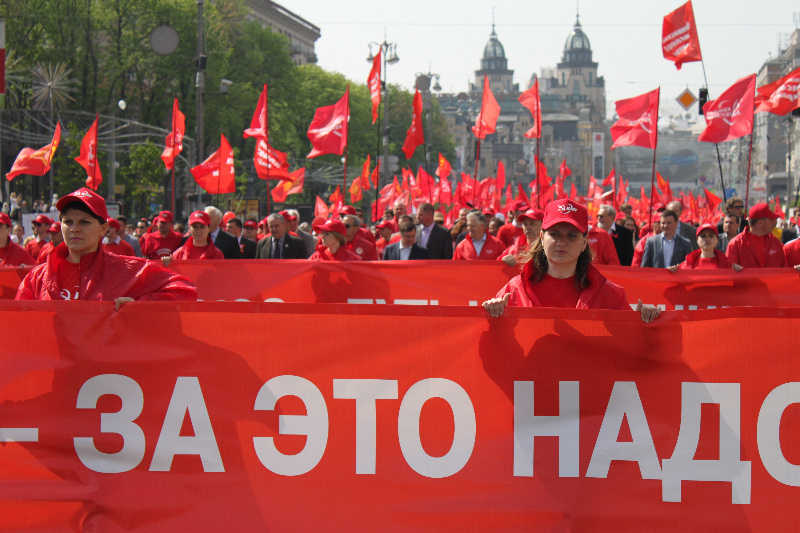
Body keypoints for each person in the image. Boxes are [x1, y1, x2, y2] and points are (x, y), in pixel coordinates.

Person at [482, 199, 660, 322]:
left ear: (584, 242)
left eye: (572, 235)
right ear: (542, 238)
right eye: (555, 234)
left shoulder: (612, 295)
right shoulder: (513, 291)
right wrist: (492, 316)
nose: (562, 242)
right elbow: (494, 349)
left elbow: (633, 350)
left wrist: (648, 322)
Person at [16, 188, 197, 309]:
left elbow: (185, 290)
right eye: (68, 222)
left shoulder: (131, 270)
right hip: (56, 366)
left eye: (84, 222)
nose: (74, 228)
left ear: (103, 229)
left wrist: (141, 306)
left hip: (107, 367)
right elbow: (19, 327)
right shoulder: (36, 278)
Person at [725, 203, 787, 268]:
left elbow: (785, 268)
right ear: (760, 222)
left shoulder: (775, 242)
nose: (774, 223)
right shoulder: (735, 244)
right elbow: (729, 271)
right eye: (770, 220)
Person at [668, 224, 743, 272]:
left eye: (711, 236)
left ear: (717, 240)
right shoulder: (687, 264)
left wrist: (739, 271)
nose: (707, 239)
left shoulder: (728, 264)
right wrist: (671, 272)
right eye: (703, 236)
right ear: (697, 240)